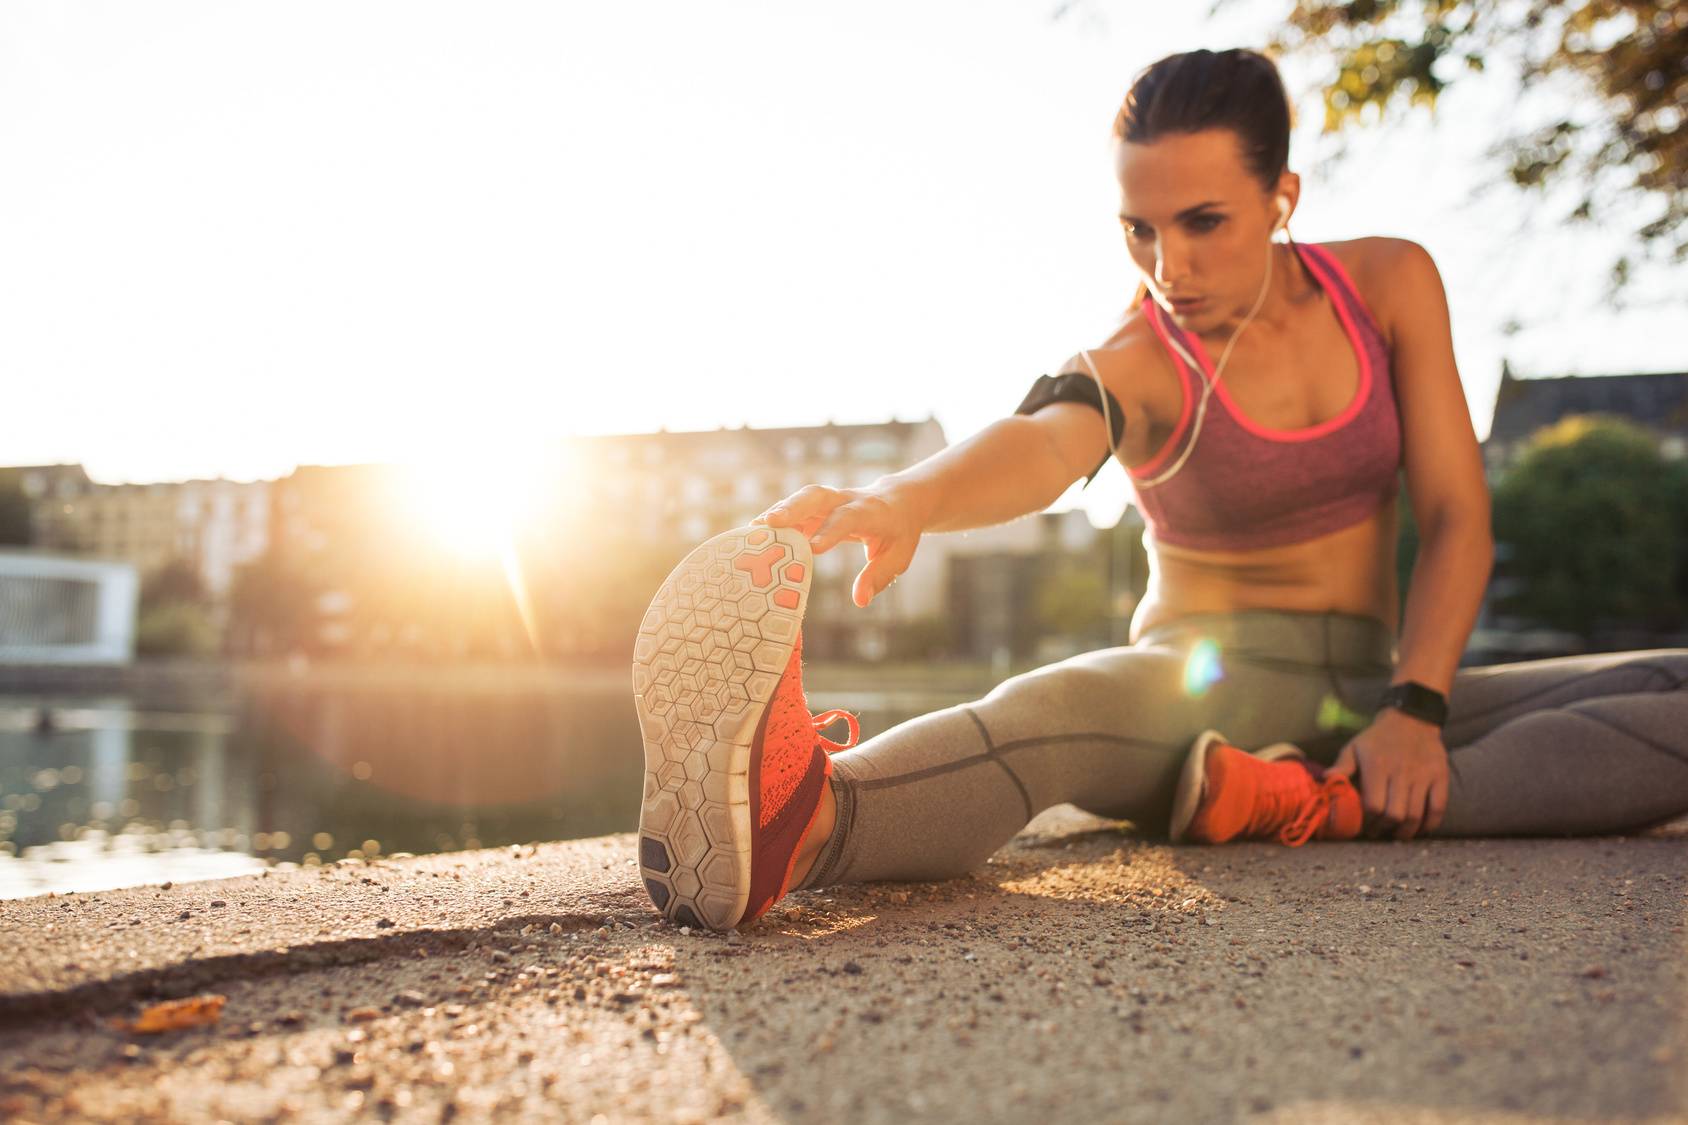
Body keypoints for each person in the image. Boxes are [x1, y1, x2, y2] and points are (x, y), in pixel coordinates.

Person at [629, 47, 1688, 934]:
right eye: (1136, 228)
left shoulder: (1389, 285)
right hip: (1194, 698)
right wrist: (908, 498)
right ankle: (795, 825)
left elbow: (1459, 515)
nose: (1165, 266)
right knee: (1052, 709)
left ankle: (1316, 802)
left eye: (1201, 221)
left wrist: (1414, 707)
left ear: (1281, 198)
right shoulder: (1136, 355)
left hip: (1371, 694)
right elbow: (1038, 445)